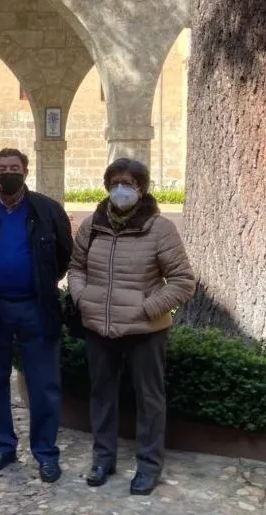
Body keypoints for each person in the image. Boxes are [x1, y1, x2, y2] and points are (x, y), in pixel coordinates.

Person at [68, 158, 195, 495]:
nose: (121, 189)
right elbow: (76, 267)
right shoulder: (92, 225)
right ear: (107, 185)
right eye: (115, 182)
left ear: (142, 188)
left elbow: (182, 282)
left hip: (145, 332)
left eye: (128, 183)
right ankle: (103, 459)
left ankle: (149, 465)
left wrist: (146, 308)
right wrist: (82, 297)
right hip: (99, 326)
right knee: (102, 394)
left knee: (149, 398)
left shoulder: (159, 229)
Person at [0, 147, 73, 483]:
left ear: (26, 171)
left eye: (14, 167)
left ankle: (45, 453)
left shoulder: (48, 210)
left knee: (43, 385)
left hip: (36, 307)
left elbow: (63, 255)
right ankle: (2, 447)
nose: (7, 172)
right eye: (1, 167)